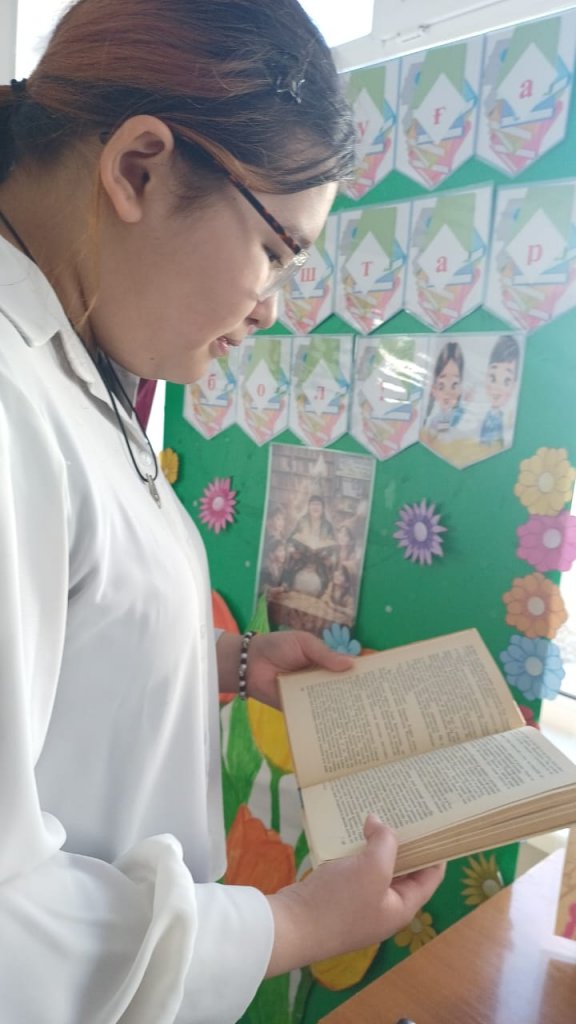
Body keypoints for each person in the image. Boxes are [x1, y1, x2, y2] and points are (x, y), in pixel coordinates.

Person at [0, 2, 444, 1021]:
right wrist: (292, 927)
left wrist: (229, 664)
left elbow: (56, 656)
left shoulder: (77, 356)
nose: (272, 307)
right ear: (139, 168)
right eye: (279, 251)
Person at [479, 334, 520, 447]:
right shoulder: (483, 414)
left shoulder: (505, 418)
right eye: (493, 378)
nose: (497, 388)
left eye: (506, 381)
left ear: (514, 386)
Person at [424, 340, 466, 437]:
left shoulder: (460, 417)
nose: (447, 393)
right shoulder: (433, 420)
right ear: (434, 389)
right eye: (441, 386)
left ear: (461, 389)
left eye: (454, 385)